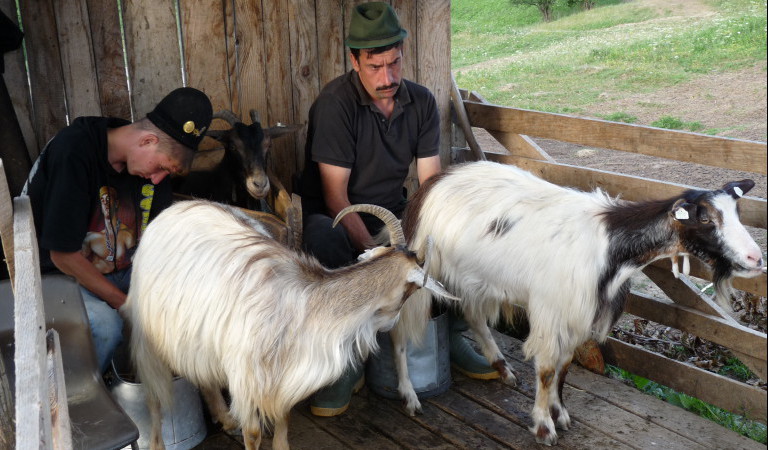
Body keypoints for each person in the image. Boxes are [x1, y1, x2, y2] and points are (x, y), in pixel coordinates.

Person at [300, 2, 497, 417]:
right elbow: (336, 197)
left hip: (393, 212)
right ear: (354, 60)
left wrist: (433, 232)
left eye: (394, 63)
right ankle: (345, 360)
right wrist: (386, 258)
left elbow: (430, 185)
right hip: (339, 215)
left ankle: (455, 329)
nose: (387, 77)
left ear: (402, 54)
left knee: (452, 232)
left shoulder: (421, 102)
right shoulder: (336, 104)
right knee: (327, 241)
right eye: (374, 67)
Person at [24, 87, 213, 374]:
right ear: (148, 140)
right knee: (105, 326)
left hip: (123, 270)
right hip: (58, 275)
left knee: (196, 304)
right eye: (161, 168)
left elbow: (158, 241)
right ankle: (82, 406)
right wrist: (126, 305)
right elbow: (63, 255)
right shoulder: (74, 151)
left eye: (167, 174)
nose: (159, 179)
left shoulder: (150, 169)